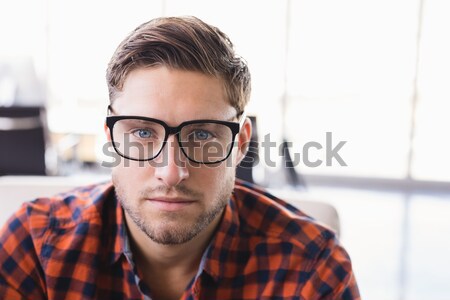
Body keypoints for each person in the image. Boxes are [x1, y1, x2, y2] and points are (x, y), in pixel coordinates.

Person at [0, 16, 360, 299]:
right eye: (142, 133)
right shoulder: (34, 246)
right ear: (110, 139)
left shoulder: (313, 269)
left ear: (241, 144)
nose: (171, 173)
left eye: (202, 135)